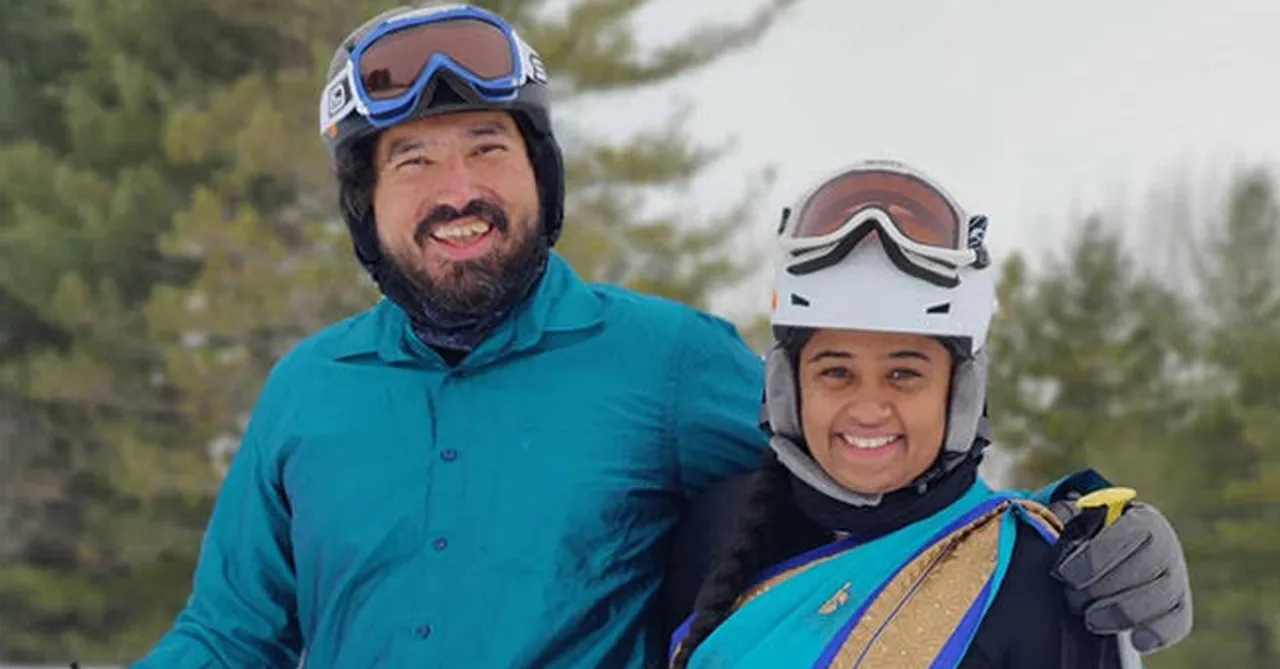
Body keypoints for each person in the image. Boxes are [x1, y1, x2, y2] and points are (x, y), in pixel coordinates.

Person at [129, 4, 1192, 668]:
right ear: (366, 204)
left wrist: (1082, 526)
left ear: (539, 175)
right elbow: (231, 637)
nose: (457, 191)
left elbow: (872, 465)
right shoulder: (308, 392)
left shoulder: (662, 363)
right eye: (412, 162)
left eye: (486, 149)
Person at [667, 160, 1184, 668]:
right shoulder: (716, 530)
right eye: (835, 373)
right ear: (788, 388)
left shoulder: (1039, 577)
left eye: (904, 374)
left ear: (958, 393)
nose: (868, 409)